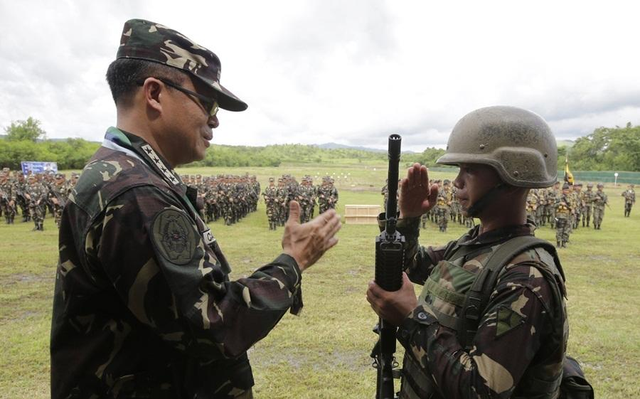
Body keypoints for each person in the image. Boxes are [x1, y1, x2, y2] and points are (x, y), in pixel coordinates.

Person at [50, 19, 341, 399]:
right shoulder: (136, 193)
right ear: (154, 93)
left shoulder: (124, 175)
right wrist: (292, 261)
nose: (215, 119)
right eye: (207, 102)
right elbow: (213, 325)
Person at [367, 106, 568, 399]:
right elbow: (411, 266)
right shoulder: (475, 245)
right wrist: (408, 219)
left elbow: (480, 390)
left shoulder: (526, 278)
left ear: (512, 176)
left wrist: (412, 319)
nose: (457, 182)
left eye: (470, 170)